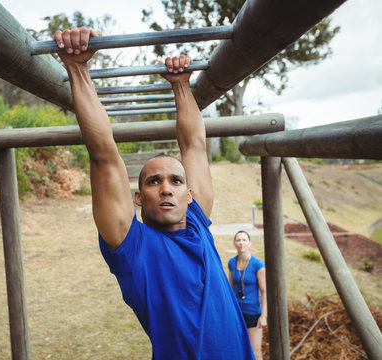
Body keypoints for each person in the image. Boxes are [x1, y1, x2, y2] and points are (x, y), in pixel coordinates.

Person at [53, 26, 254, 359]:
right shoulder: (134, 249)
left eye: (176, 181)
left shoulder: (198, 224)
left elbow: (194, 145)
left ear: (189, 194)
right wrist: (77, 68)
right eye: (152, 181)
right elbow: (104, 154)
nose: (166, 188)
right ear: (138, 198)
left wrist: (181, 84)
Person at [228, 230, 267, 360]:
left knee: (255, 352)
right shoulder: (232, 263)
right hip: (236, 312)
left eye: (244, 240)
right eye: (238, 240)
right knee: (238, 349)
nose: (241, 243)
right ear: (234, 243)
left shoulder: (258, 264)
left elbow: (264, 292)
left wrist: (263, 316)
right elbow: (230, 288)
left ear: (249, 243)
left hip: (252, 313)